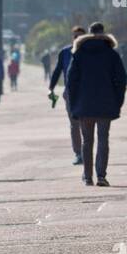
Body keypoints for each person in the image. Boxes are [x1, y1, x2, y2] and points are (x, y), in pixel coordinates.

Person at [66, 22, 126, 187]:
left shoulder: (78, 53)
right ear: (103, 33)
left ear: (90, 33)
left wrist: (74, 104)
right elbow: (121, 80)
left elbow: (71, 82)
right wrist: (117, 101)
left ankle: (87, 176)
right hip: (106, 103)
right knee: (103, 139)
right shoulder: (111, 53)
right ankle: (101, 175)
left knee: (87, 141)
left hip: (84, 104)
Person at [49, 26, 86, 165]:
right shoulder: (65, 52)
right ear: (72, 37)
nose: (78, 39)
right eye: (76, 36)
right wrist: (51, 88)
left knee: (87, 124)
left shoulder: (90, 51)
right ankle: (78, 153)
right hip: (70, 93)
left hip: (87, 92)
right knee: (74, 124)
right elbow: (58, 70)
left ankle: (87, 151)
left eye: (81, 36)